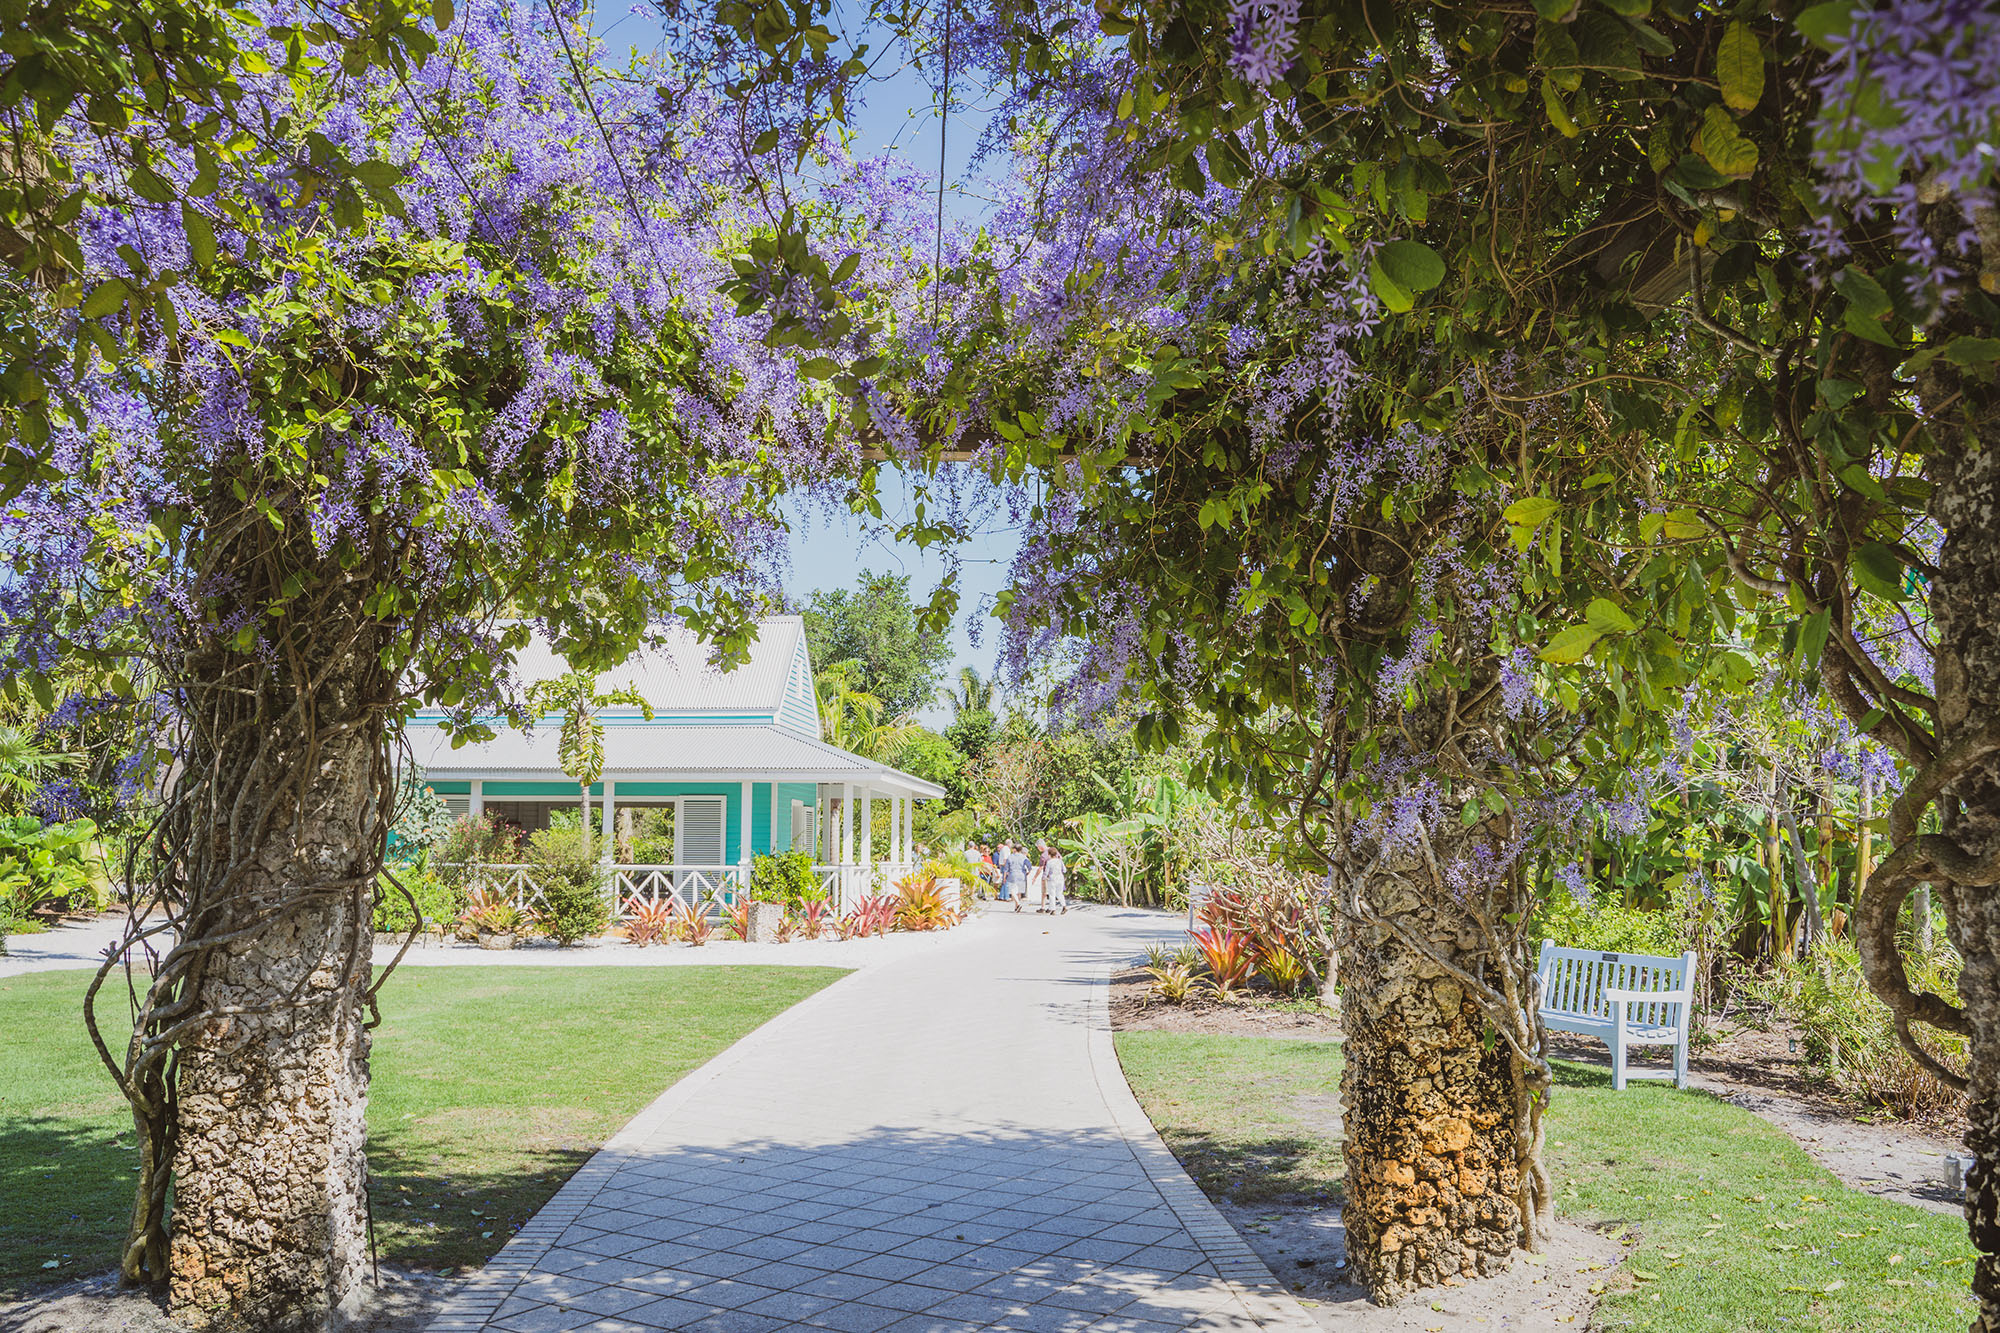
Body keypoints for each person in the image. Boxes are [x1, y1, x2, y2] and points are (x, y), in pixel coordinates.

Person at [1000, 840, 1031, 912]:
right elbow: (1029, 866)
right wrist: (1028, 872)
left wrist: (1004, 878)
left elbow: (1006, 869)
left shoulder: (1010, 857)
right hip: (1022, 876)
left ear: (1014, 849)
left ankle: (1018, 904)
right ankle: (1016, 907)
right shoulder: (1024, 857)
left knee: (1012, 891)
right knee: (1019, 892)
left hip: (1012, 875)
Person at [1043, 842, 1068, 916]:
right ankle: (1064, 906)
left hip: (1052, 879)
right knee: (1059, 893)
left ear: (1049, 854)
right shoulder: (1060, 861)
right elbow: (1064, 870)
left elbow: (1046, 872)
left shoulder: (1049, 862)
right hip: (1060, 878)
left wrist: (1044, 878)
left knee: (1052, 894)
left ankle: (1053, 909)